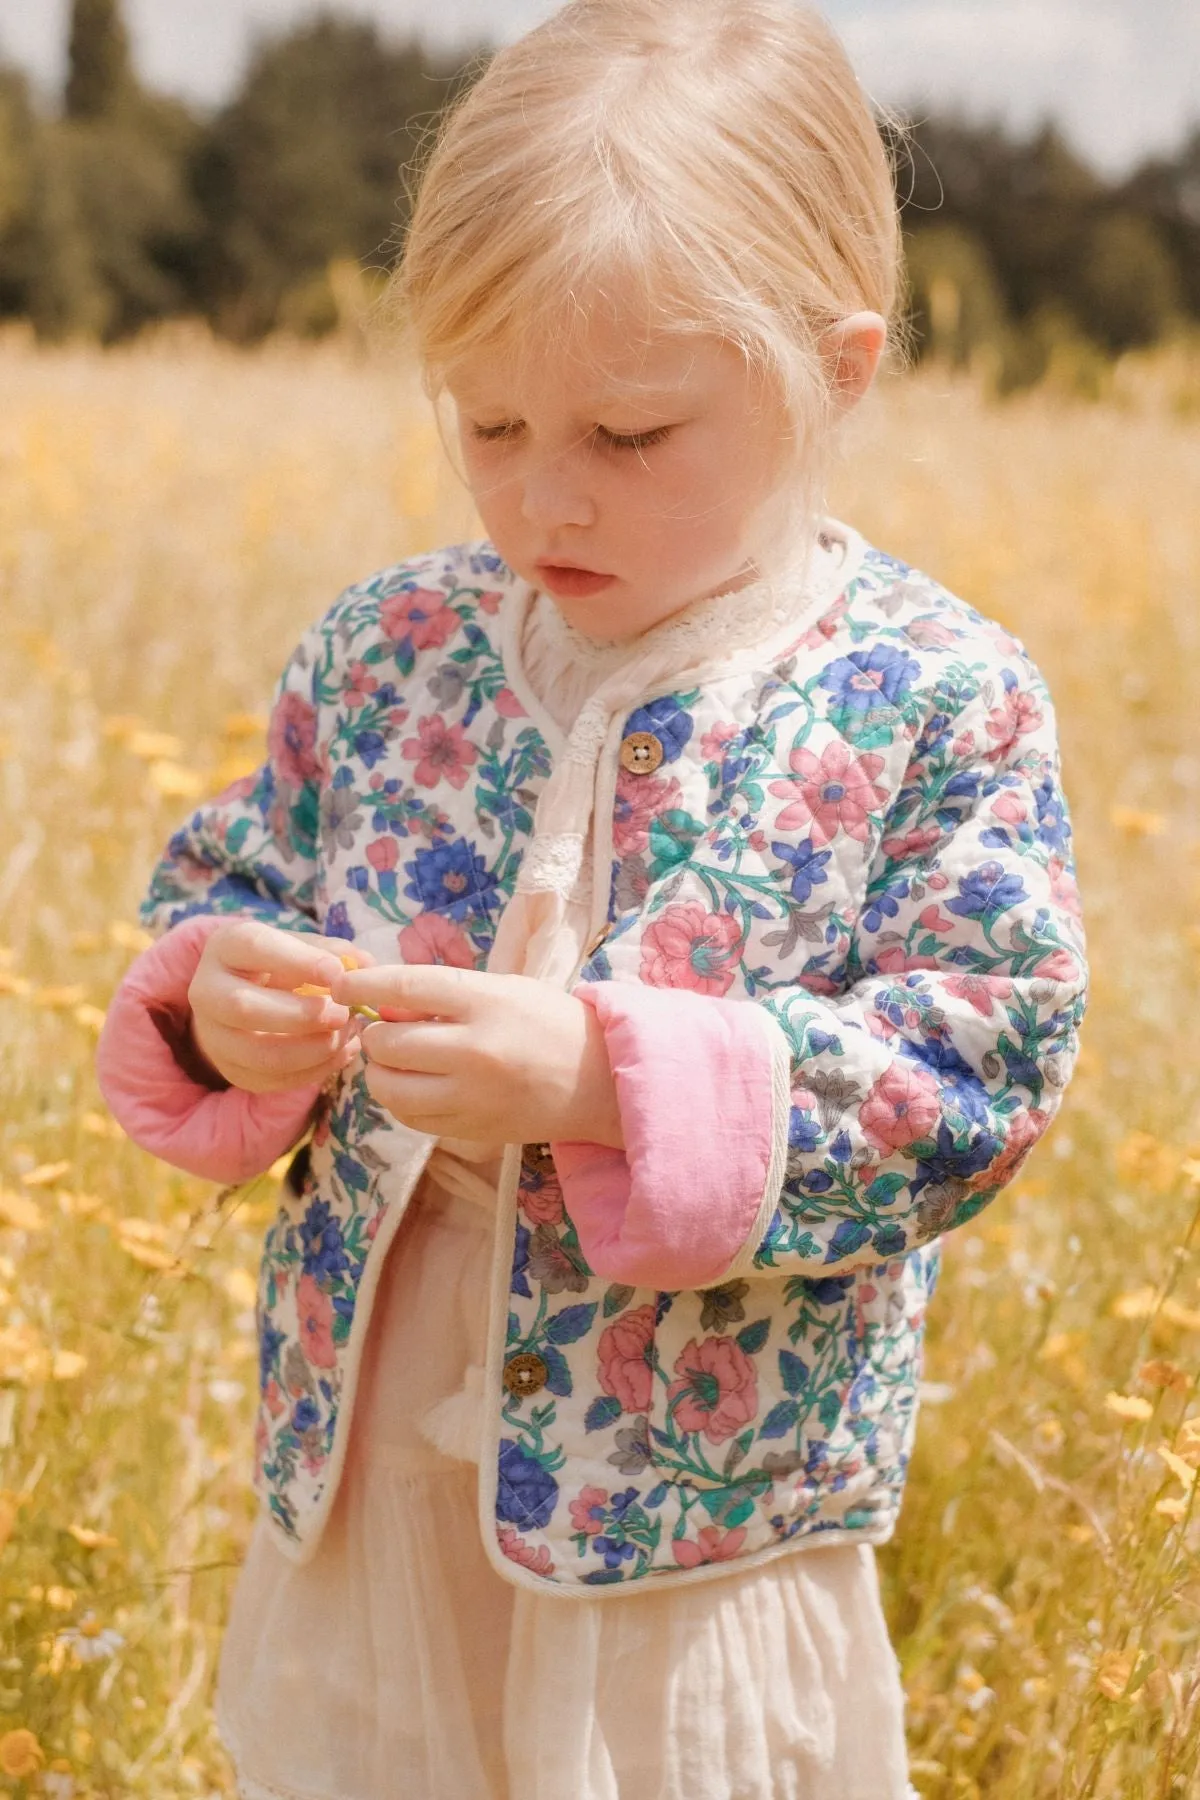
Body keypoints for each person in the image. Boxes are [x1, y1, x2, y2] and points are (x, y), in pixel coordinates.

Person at [95, 2, 1089, 1796]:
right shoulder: (388, 646)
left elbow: (983, 1071)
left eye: (630, 434)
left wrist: (606, 1079)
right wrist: (224, 1001)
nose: (543, 493)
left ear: (838, 370)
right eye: (488, 421)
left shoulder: (934, 692)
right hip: (378, 1459)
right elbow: (229, 882)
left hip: (698, 1528)